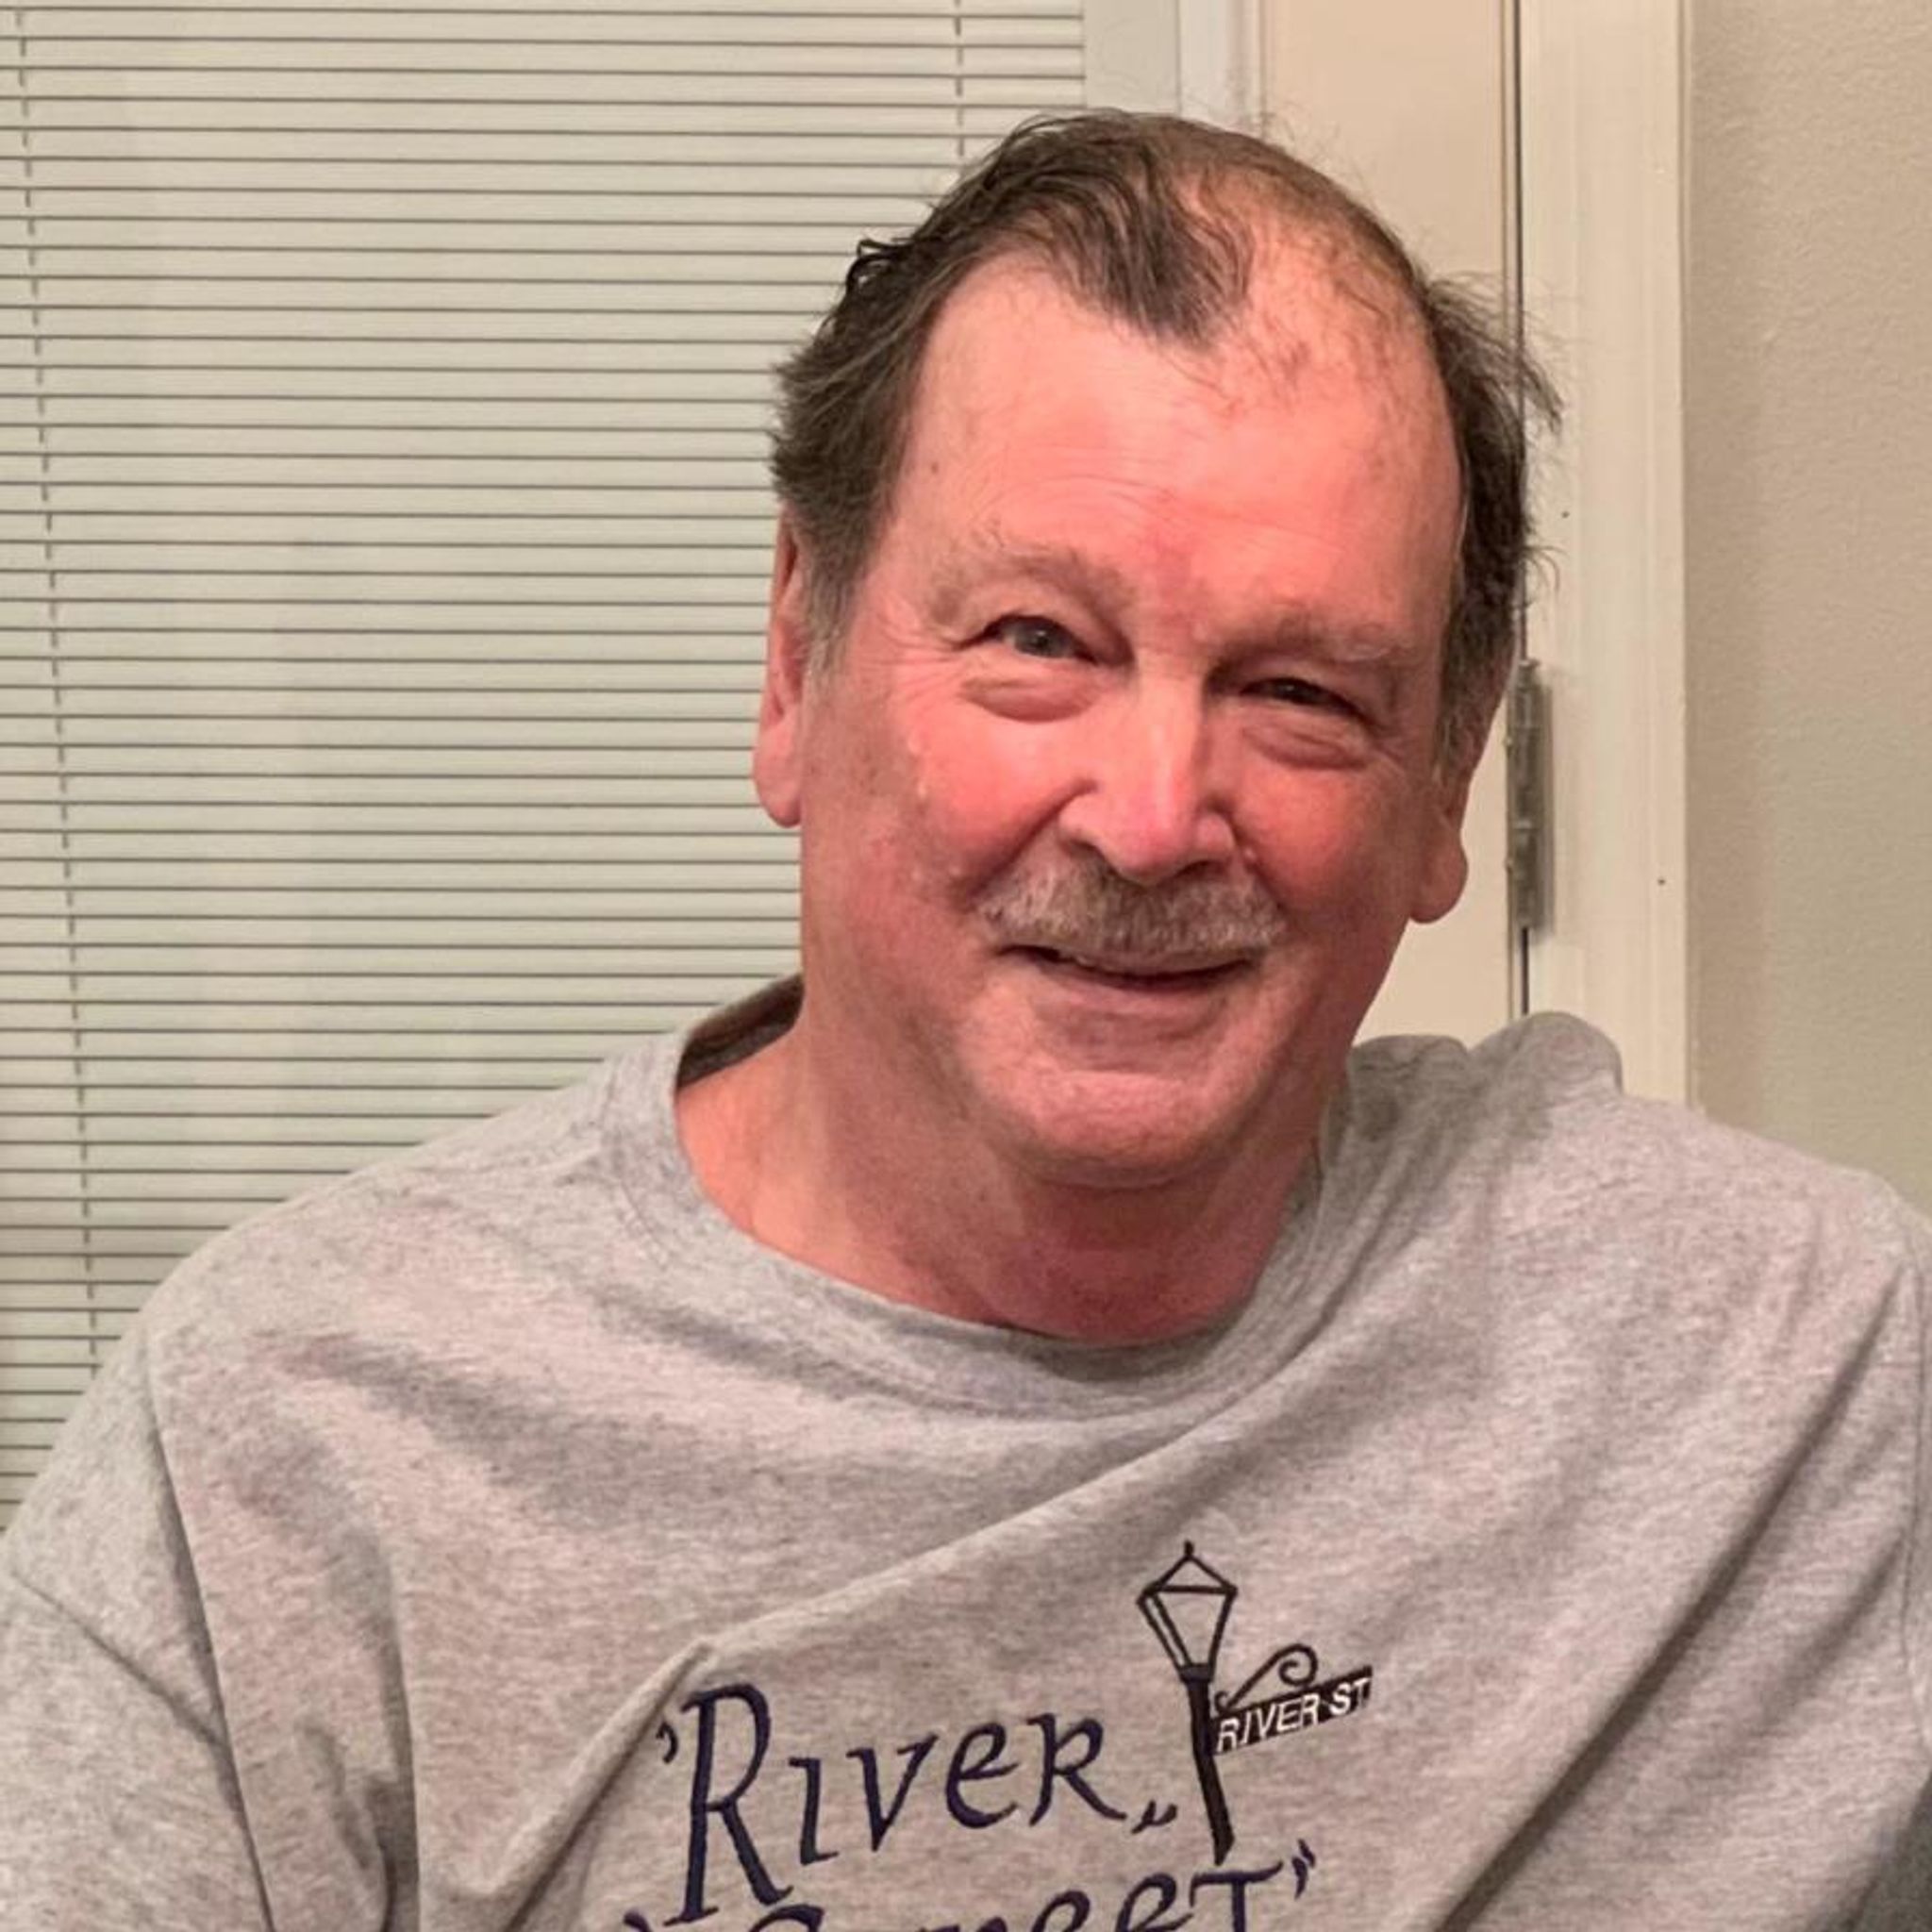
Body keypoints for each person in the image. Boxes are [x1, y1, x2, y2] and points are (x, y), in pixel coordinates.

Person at [2, 111, 1927, 1932]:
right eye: (1036, 644)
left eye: (1299, 692)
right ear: (796, 661)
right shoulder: (284, 1460)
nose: (1153, 817)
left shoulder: (1799, 1377)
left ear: (1446, 778)